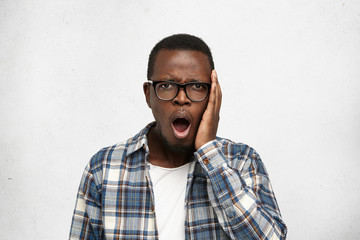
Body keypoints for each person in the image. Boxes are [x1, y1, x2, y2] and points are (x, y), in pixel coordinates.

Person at [69, 34, 287, 240]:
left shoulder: (241, 161)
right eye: (166, 86)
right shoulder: (104, 168)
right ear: (148, 95)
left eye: (196, 86)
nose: (182, 98)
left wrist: (209, 151)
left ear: (213, 95)